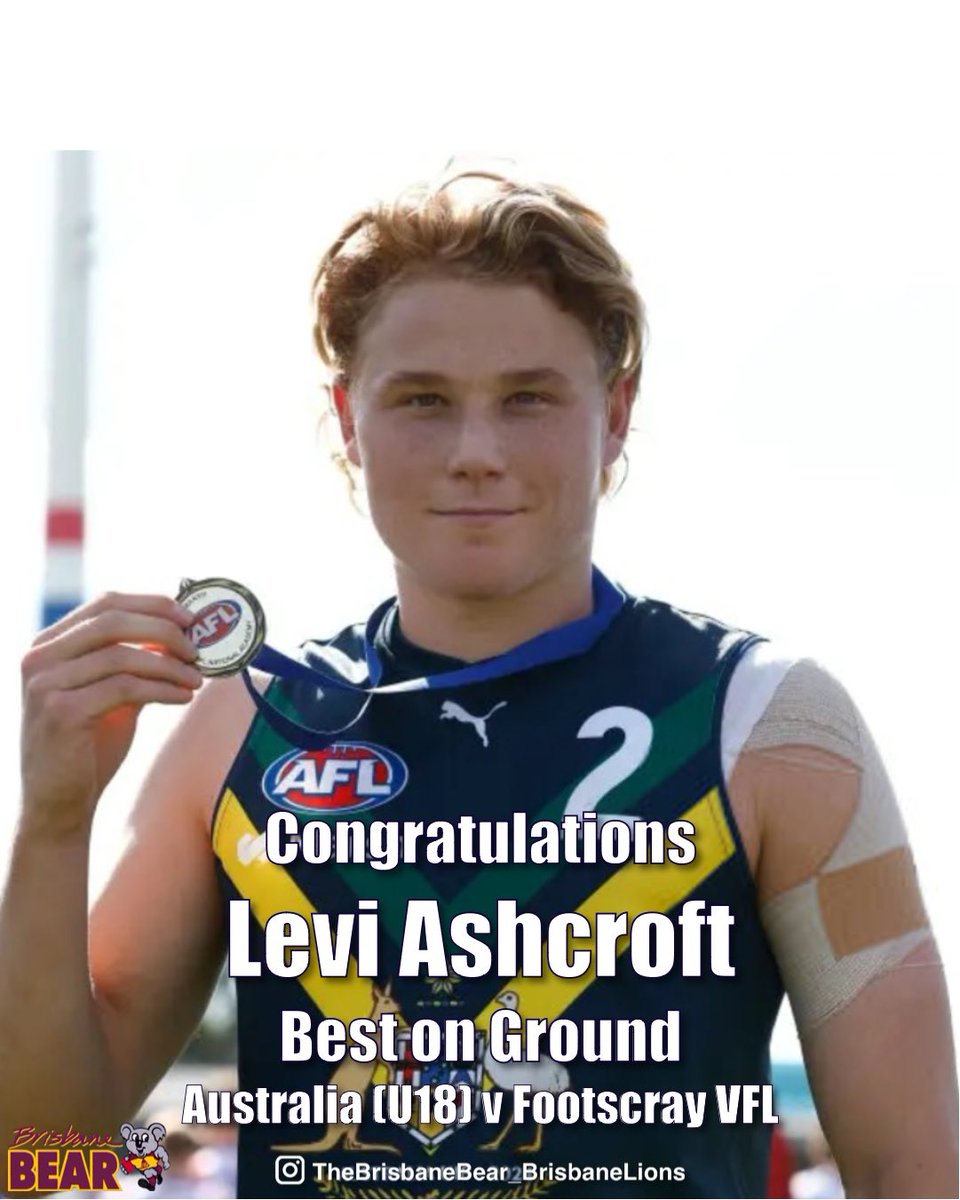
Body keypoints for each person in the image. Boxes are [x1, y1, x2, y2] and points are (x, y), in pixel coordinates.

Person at [2, 162, 956, 1200]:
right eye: (422, 400)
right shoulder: (245, 727)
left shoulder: (770, 725)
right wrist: (54, 821)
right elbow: (45, 1155)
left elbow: (913, 1171)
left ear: (618, 413)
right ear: (348, 420)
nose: (475, 452)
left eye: (528, 399)